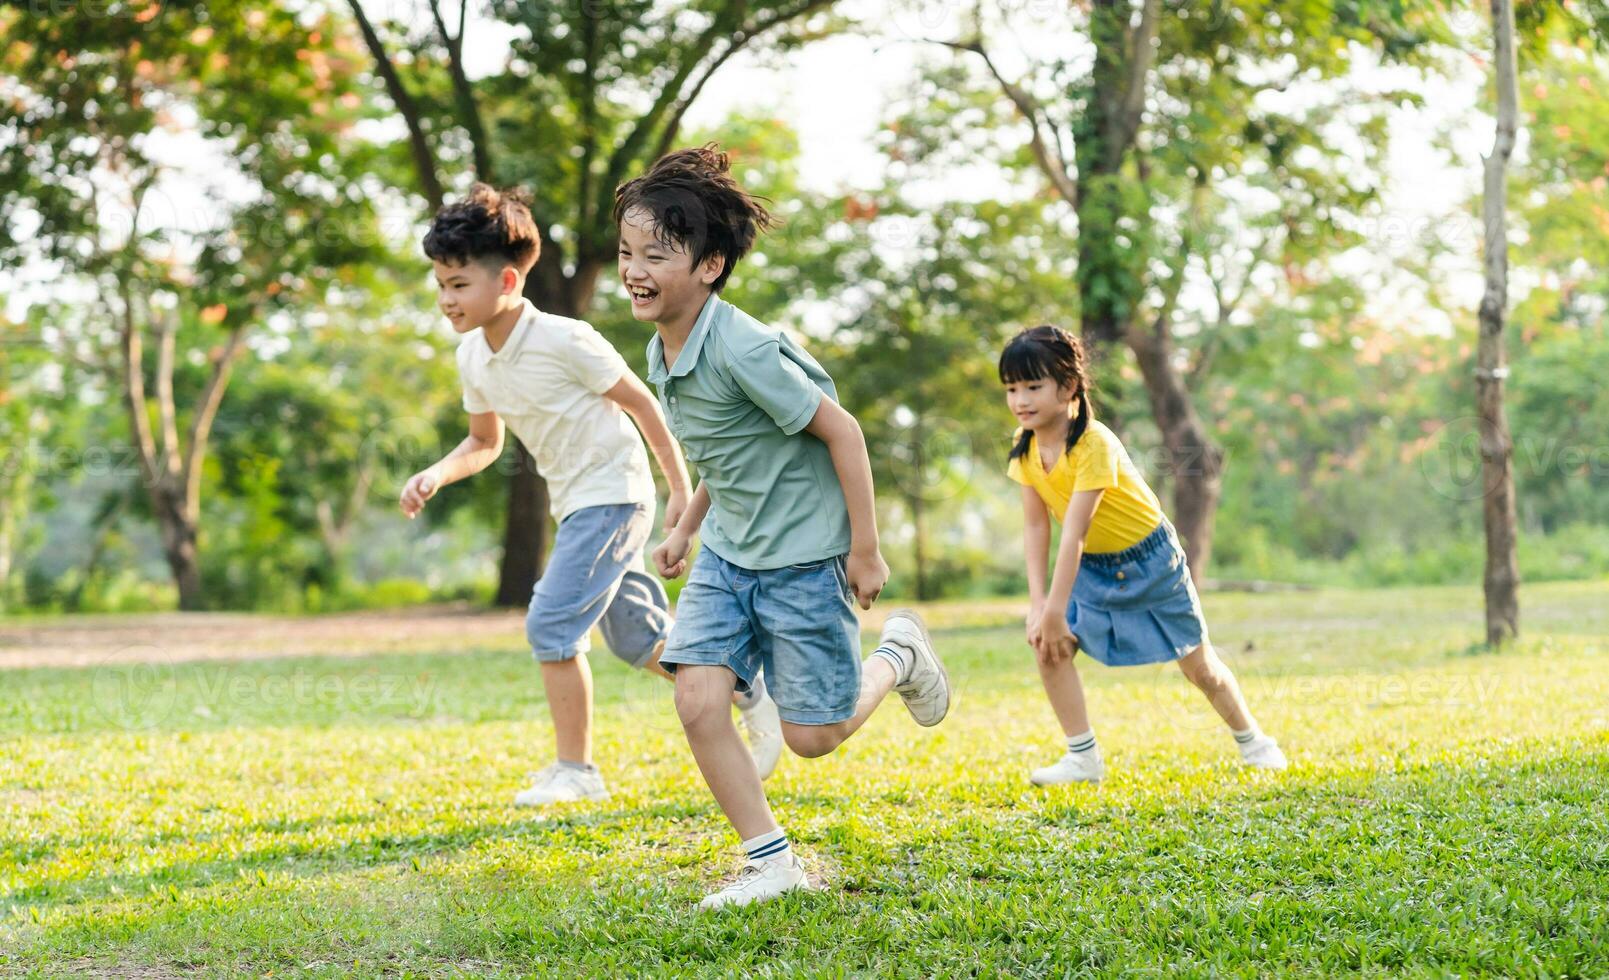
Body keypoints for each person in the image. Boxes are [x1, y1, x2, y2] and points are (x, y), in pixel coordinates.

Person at [615, 145, 953, 909]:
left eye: (656, 255)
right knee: (697, 700)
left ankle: (897, 654)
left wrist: (865, 550)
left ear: (709, 265)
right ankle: (769, 861)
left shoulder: (745, 350)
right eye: (628, 252)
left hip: (805, 558)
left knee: (812, 737)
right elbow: (726, 452)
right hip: (731, 554)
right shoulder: (662, 345)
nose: (634, 270)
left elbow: (844, 434)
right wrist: (685, 526)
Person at [400, 183, 783, 808]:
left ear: (506, 281)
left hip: (614, 494)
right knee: (638, 639)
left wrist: (680, 498)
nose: (446, 299)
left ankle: (576, 769)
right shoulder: (473, 355)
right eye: (440, 283)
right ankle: (744, 687)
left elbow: (647, 408)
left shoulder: (566, 339)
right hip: (576, 503)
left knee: (551, 621)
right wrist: (436, 474)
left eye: (458, 284)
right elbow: (483, 440)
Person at [1001, 325, 1288, 784]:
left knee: (1200, 668)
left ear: (1069, 386)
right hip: (1092, 567)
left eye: (1033, 386)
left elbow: (1074, 530)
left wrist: (1056, 608)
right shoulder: (1026, 446)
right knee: (1047, 646)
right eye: (1012, 389)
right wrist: (1040, 607)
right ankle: (1082, 758)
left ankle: (1255, 741)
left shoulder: (1093, 443)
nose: (1021, 400)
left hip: (1150, 561)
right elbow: (1037, 527)